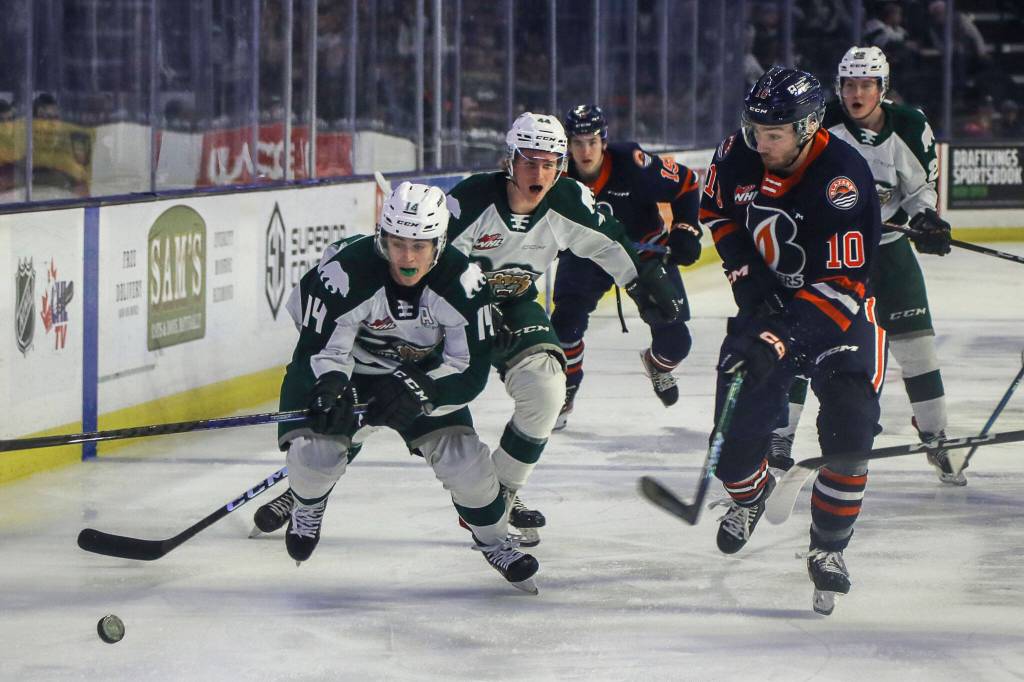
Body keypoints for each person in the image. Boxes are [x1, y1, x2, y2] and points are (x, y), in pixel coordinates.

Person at [249, 182, 540, 594]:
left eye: (420, 246)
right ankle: (308, 504)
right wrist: (330, 386)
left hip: (423, 374)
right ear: (382, 236)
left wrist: (418, 390)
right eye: (398, 243)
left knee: (467, 465)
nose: (407, 257)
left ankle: (494, 542)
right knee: (315, 456)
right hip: (351, 368)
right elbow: (316, 348)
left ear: (439, 243)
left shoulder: (464, 281)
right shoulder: (344, 273)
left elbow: (468, 370)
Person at [446, 111, 682, 545]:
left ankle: (500, 495)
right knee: (394, 397)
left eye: (550, 162)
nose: (540, 172)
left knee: (548, 390)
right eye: (529, 161)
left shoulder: (568, 200)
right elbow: (431, 264)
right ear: (509, 161)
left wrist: (642, 285)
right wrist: (473, 307)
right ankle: (306, 485)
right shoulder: (471, 199)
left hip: (514, 307)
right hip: (444, 314)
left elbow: (610, 242)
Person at [700, 66, 883, 615]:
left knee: (849, 430)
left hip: (838, 315)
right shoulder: (737, 152)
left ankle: (827, 549)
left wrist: (781, 337)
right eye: (756, 129)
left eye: (774, 134)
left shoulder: (842, 178)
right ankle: (750, 493)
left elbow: (845, 284)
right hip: (768, 305)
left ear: (807, 128)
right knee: (730, 453)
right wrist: (749, 283)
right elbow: (718, 214)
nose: (761, 142)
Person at [768, 46, 962, 485]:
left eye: (866, 85)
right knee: (803, 344)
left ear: (882, 88)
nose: (856, 93)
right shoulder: (822, 125)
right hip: (834, 253)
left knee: (917, 347)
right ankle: (779, 438)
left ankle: (934, 434)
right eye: (849, 84)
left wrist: (927, 218)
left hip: (890, 251)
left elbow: (919, 191)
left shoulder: (910, 125)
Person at [550, 104, 702, 428]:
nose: (585, 150)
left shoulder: (633, 165)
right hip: (587, 255)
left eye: (591, 141)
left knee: (677, 342)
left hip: (642, 255)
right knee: (565, 322)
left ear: (604, 141)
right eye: (577, 143)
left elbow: (687, 183)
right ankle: (564, 391)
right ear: (567, 145)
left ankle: (658, 365)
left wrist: (686, 230)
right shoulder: (556, 177)